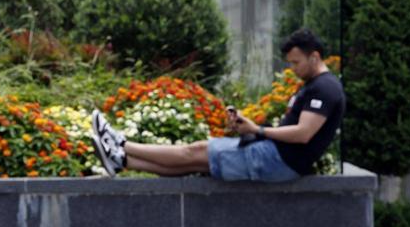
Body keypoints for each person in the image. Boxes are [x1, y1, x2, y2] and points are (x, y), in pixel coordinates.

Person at [89, 29, 344, 182]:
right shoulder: (314, 84)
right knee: (194, 162)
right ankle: (121, 161)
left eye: (296, 62)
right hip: (274, 157)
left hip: (276, 161)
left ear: (315, 57)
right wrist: (252, 128)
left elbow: (303, 133)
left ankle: (121, 143)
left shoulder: (325, 88)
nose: (292, 68)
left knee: (195, 152)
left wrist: (258, 130)